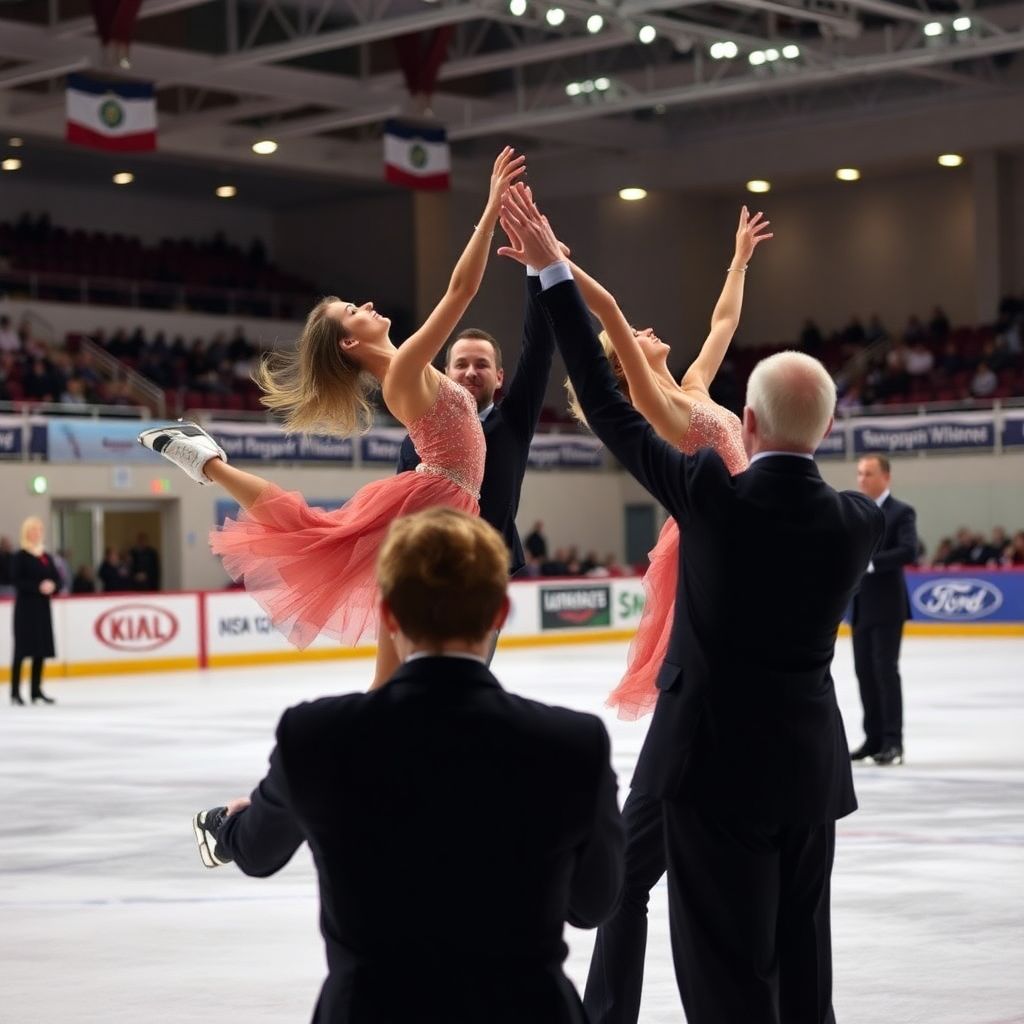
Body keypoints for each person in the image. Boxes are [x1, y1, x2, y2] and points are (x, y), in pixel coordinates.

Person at [499, 185, 883, 1024]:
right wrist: (575, 281)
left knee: (721, 957)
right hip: (804, 751)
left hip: (720, 678)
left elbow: (627, 387)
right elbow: (624, 368)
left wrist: (553, 269)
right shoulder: (858, 520)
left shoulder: (706, 464)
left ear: (749, 418)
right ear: (826, 429)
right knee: (801, 960)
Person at [190, 507, 624, 1024]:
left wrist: (230, 825)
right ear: (500, 612)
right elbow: (593, 905)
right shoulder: (571, 744)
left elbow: (258, 852)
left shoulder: (317, 737)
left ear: (388, 616)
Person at [140, 148, 525, 687]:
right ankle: (208, 462)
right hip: (435, 505)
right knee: (315, 535)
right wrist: (488, 211)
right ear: (349, 341)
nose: (365, 305)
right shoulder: (403, 372)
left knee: (390, 651)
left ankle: (206, 461)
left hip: (443, 502)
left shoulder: (410, 367)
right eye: (352, 311)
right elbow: (461, 290)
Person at [396, 256, 557, 583]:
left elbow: (538, 349)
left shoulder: (514, 422)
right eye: (461, 364)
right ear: (445, 373)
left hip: (489, 578)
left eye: (482, 364)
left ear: (499, 377)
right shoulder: (417, 436)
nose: (471, 372)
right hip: (427, 579)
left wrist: (539, 269)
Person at [849, 454, 919, 767]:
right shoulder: (856, 510)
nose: (862, 479)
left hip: (888, 607)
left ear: (885, 477)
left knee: (885, 672)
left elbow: (909, 550)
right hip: (860, 606)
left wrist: (870, 563)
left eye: (868, 473)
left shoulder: (901, 512)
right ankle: (873, 738)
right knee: (864, 672)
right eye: (860, 473)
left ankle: (893, 741)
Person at [10, 516, 62, 705]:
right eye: (33, 530)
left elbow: (58, 579)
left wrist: (53, 586)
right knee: (22, 650)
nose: (36, 533)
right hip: (25, 609)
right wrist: (37, 587)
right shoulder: (20, 556)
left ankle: (36, 690)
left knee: (40, 648)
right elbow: (16, 580)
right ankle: (15, 692)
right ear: (26, 533)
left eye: (39, 530)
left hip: (42, 608)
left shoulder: (45, 556)